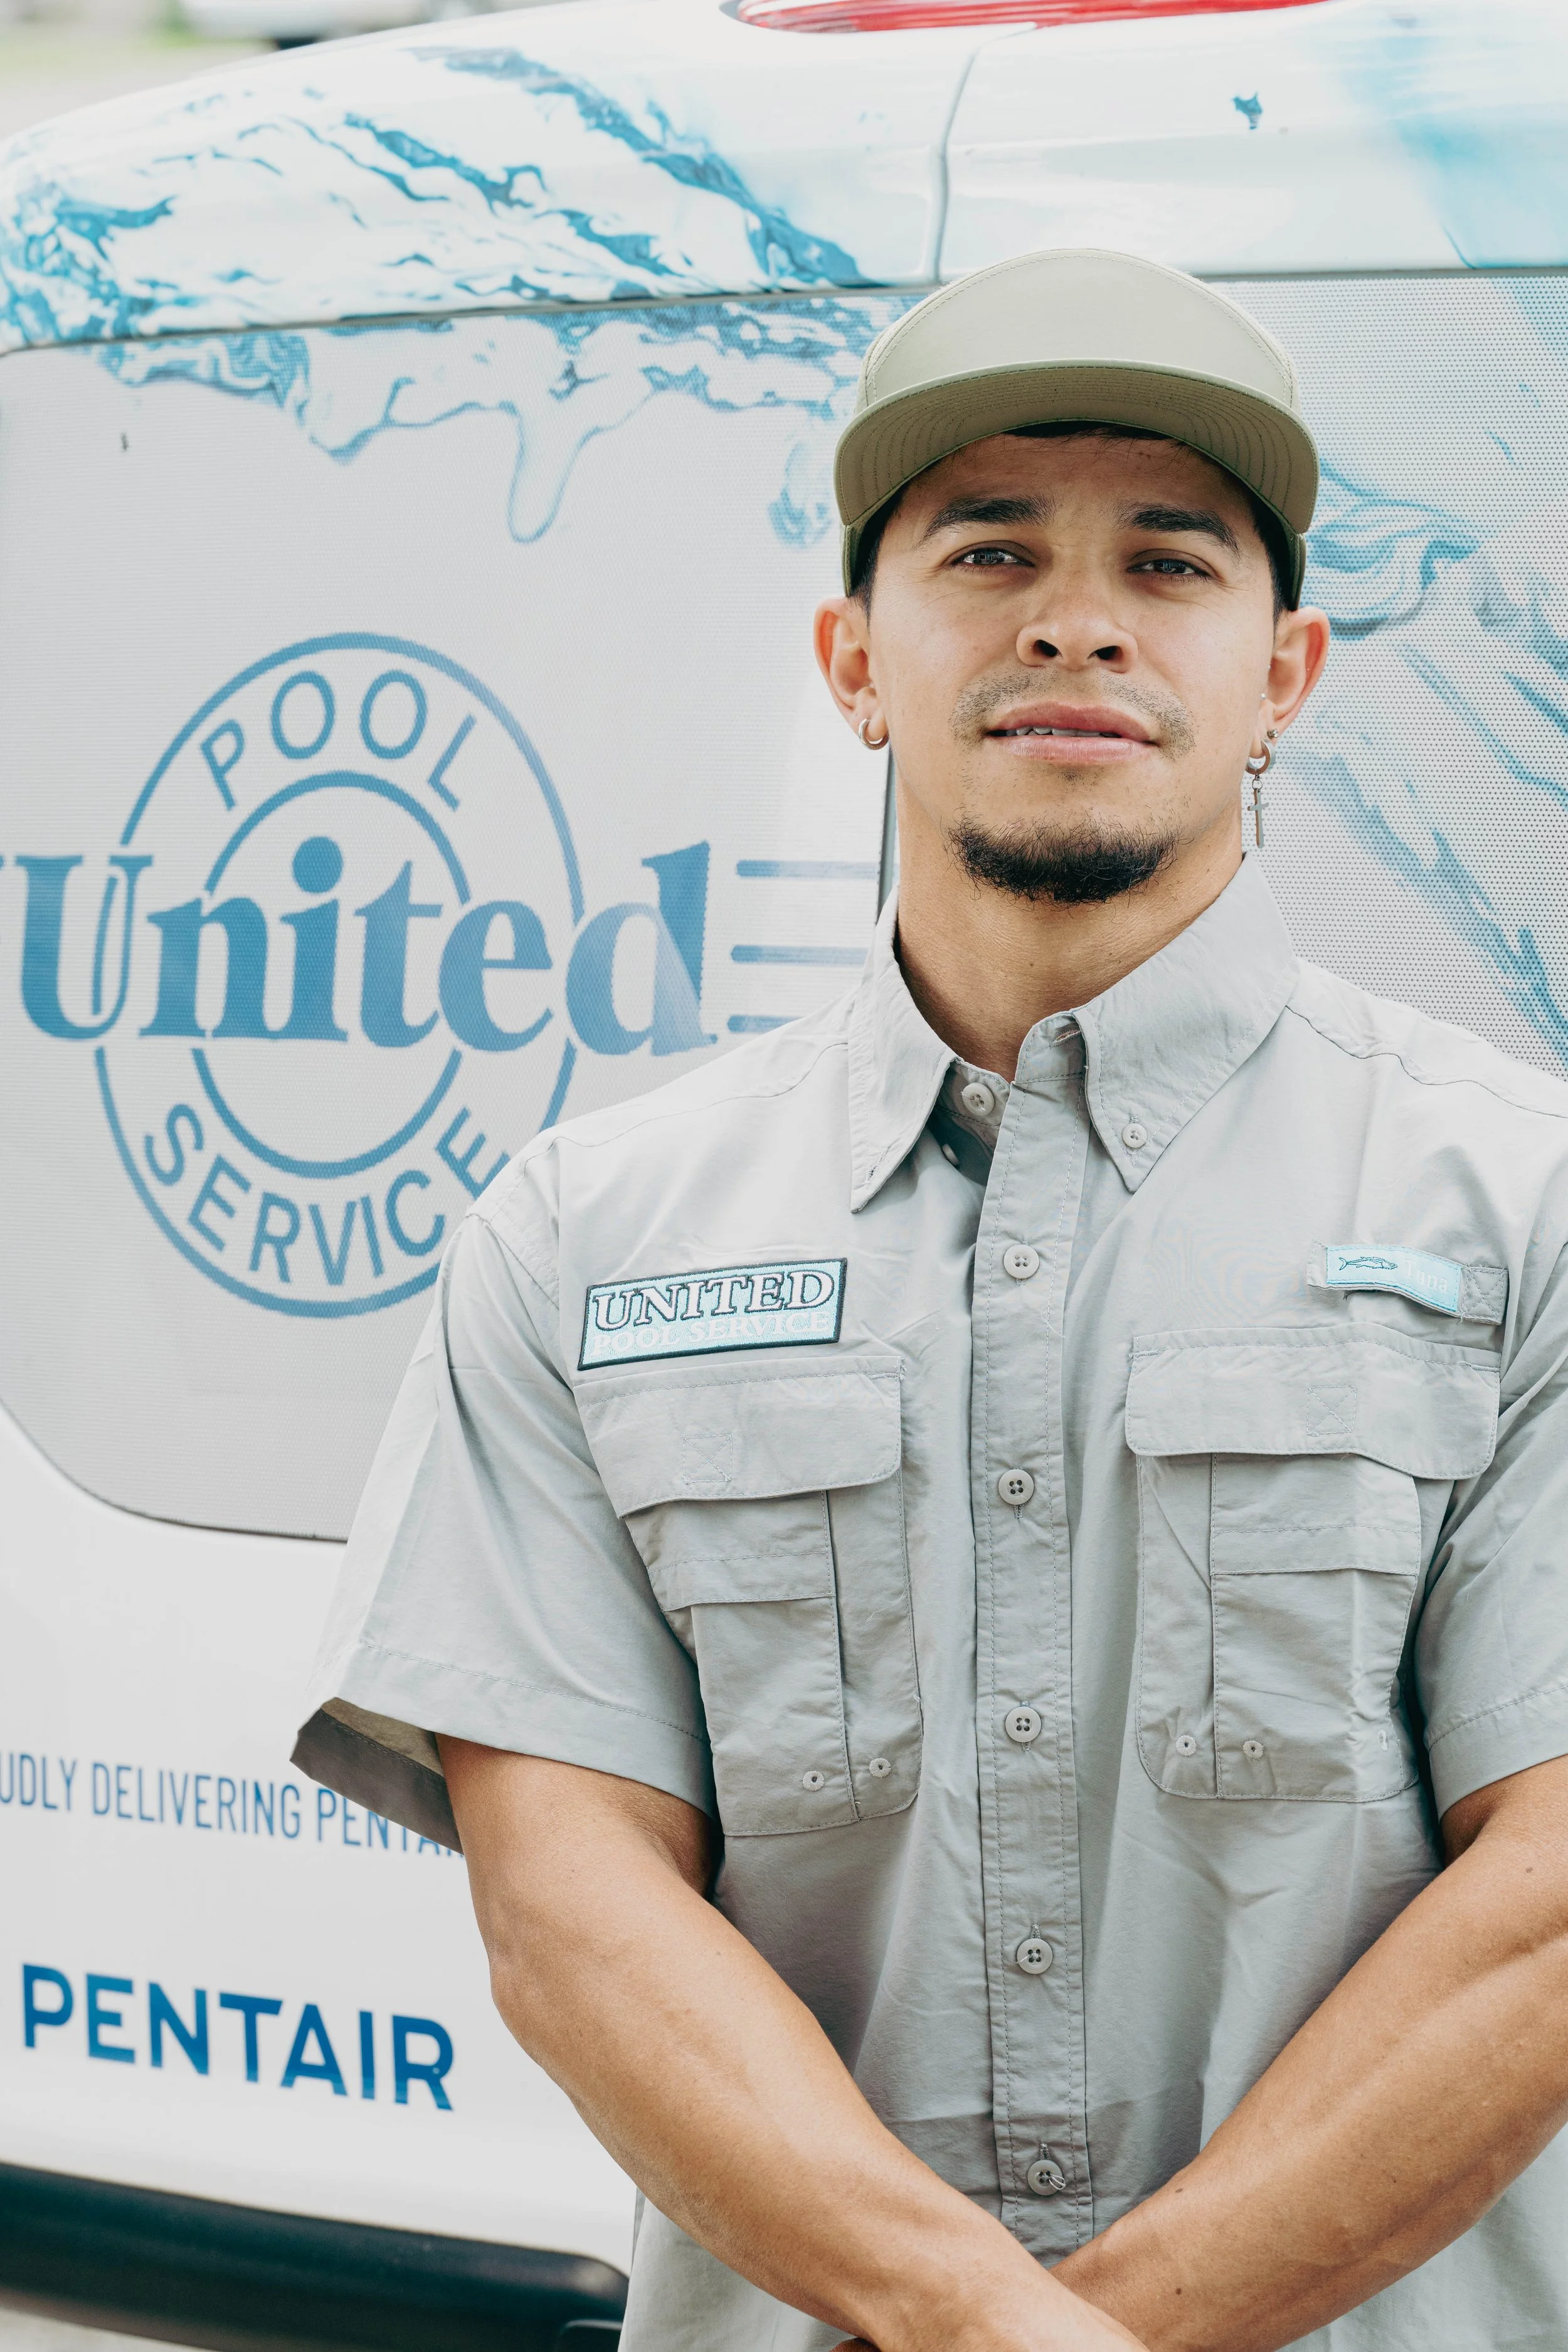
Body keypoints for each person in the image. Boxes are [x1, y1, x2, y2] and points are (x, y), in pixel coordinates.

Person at [294, 248, 1568, 2352]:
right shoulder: (587, 1235)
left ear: (1289, 676)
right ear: (853, 660)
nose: (1074, 614)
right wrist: (983, 2326)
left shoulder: (1519, 1202)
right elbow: (573, 1905)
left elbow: (1548, 1913)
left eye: (1170, 560)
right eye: (986, 549)